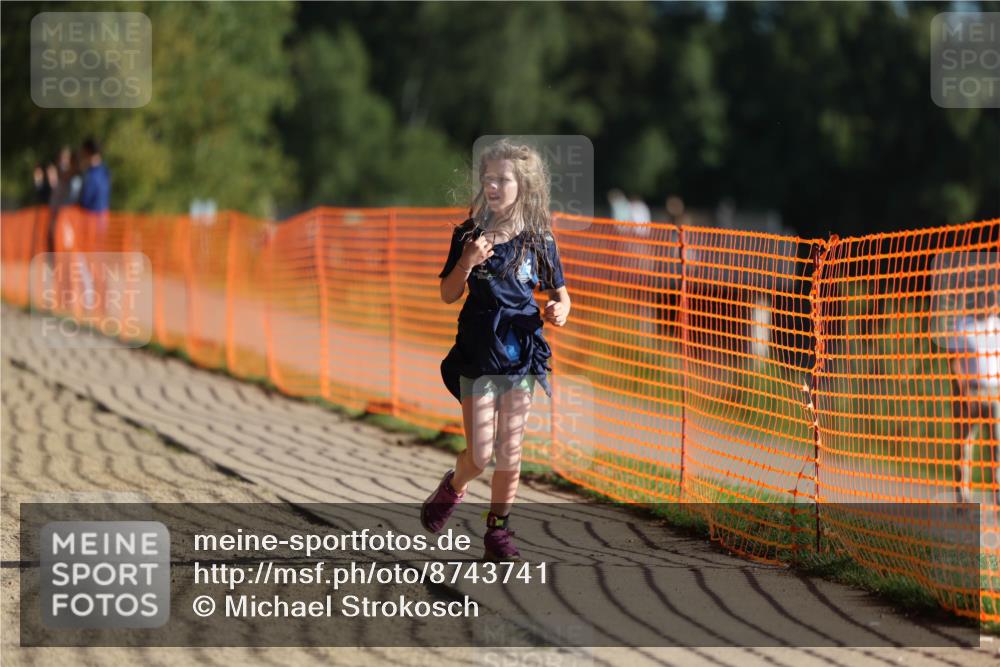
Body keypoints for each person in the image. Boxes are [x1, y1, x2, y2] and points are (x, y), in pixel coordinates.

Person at [423, 139, 571, 561]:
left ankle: (498, 531)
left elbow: (562, 295)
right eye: (486, 178)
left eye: (501, 179)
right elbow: (448, 294)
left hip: (522, 355)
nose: (492, 185)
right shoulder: (469, 234)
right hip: (477, 354)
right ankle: (454, 485)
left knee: (511, 450)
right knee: (481, 453)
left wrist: (560, 308)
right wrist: (467, 261)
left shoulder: (540, 240)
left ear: (522, 184)